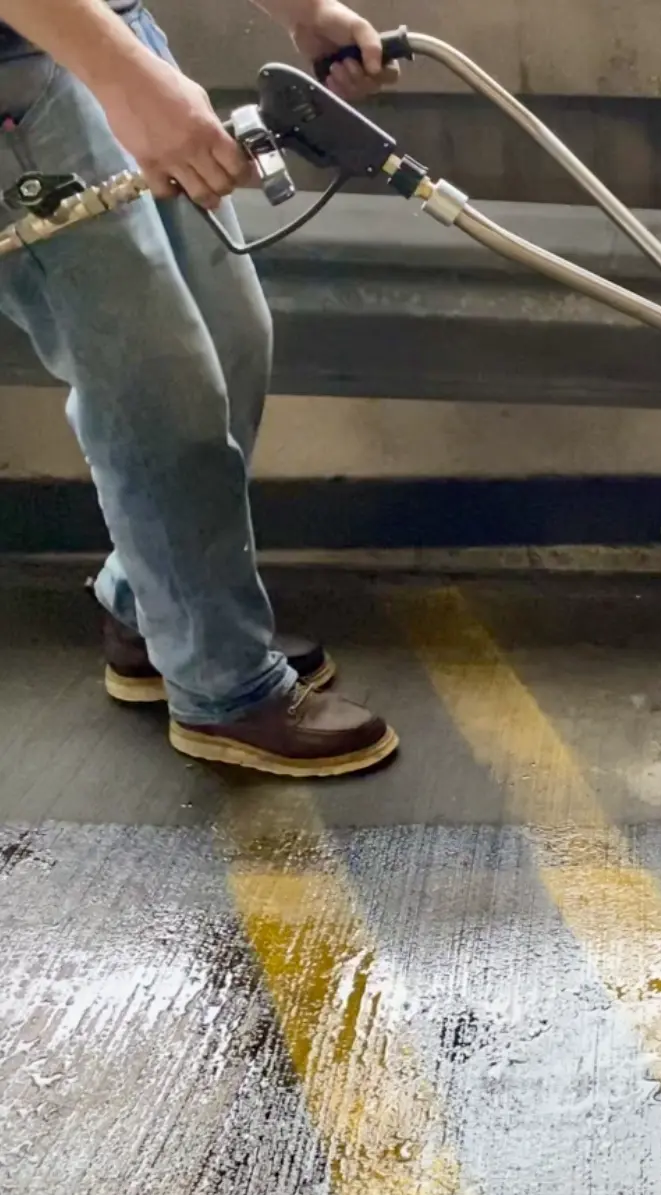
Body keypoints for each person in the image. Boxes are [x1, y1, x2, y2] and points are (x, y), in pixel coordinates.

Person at [0, 0, 399, 776]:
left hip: (110, 27)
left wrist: (304, 12)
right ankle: (223, 686)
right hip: (22, 69)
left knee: (233, 337)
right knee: (152, 383)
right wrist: (125, 79)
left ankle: (154, 606)